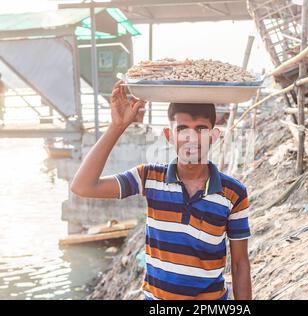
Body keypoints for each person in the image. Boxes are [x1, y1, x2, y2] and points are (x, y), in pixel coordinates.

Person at [70, 80, 252, 300]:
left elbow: (241, 263)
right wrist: (117, 126)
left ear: (213, 136)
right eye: (182, 128)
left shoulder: (234, 193)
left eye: (201, 129)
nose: (191, 138)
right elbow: (83, 186)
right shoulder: (148, 178)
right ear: (169, 135)